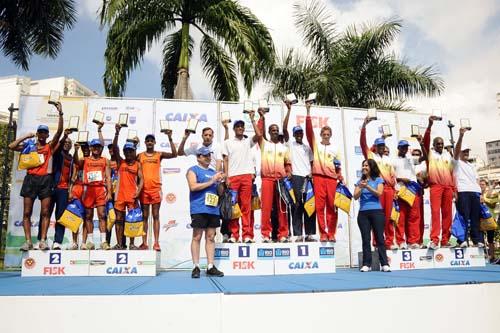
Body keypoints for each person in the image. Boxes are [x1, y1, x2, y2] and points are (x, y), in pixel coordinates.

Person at [9, 102, 64, 251]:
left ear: (47, 135)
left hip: (46, 180)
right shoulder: (29, 146)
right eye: (40, 132)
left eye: (44, 133)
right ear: (37, 133)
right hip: (31, 180)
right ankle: (28, 241)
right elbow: (11, 146)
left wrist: (60, 113)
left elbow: (59, 132)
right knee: (27, 212)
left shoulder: (49, 147)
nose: (42, 135)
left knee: (45, 212)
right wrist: (25, 136)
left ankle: (43, 240)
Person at [222, 111, 262, 243]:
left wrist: (252, 119)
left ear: (244, 129)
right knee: (234, 208)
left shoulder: (247, 141)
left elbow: (259, 134)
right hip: (233, 177)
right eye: (237, 126)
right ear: (234, 129)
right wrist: (226, 177)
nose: (240, 128)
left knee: (246, 207)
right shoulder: (228, 142)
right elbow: (225, 160)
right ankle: (234, 235)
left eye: (242, 126)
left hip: (246, 176)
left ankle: (247, 235)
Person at [305, 102, 342, 242]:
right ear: (320, 135)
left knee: (332, 206)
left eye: (328, 134)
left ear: (330, 135)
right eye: (324, 134)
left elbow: (338, 166)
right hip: (318, 178)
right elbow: (309, 132)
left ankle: (332, 233)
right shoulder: (315, 145)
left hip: (332, 180)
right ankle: (323, 234)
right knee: (320, 206)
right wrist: (308, 112)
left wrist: (339, 175)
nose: (326, 136)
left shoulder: (335, 148)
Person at [187, 146, 225, 278]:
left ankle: (210, 266)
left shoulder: (213, 172)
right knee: (197, 237)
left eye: (209, 155)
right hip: (199, 208)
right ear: (199, 157)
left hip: (213, 208)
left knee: (210, 237)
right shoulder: (193, 170)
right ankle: (196, 266)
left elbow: (219, 192)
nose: (208, 157)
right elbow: (193, 186)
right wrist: (211, 181)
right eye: (205, 155)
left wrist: (220, 183)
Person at [360, 117, 397, 249]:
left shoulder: (388, 159)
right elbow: (363, 143)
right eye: (379, 146)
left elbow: (393, 177)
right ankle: (376, 242)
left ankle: (389, 241)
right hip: (377, 188)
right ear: (375, 147)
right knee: (378, 217)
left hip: (389, 190)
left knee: (388, 216)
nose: (381, 147)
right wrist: (364, 126)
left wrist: (395, 190)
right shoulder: (372, 157)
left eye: (383, 145)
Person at [137, 132, 177, 251]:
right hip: (144, 190)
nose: (149, 142)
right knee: (144, 216)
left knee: (155, 216)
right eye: (147, 140)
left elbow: (175, 154)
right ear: (145, 143)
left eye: (151, 140)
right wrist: (134, 143)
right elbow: (128, 160)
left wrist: (170, 138)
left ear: (154, 142)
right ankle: (144, 242)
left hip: (155, 189)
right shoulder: (139, 156)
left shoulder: (159, 154)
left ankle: (156, 243)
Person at [282, 100, 316, 242]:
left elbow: (313, 163)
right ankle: (298, 234)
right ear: (294, 134)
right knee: (297, 206)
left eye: (300, 132)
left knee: (309, 204)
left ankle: (309, 233)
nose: (299, 135)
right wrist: (289, 110)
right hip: (295, 177)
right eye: (297, 133)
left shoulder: (307, 147)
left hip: (307, 178)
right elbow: (284, 129)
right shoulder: (290, 144)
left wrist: (312, 175)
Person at [257, 110, 292, 243]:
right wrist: (262, 118)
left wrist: (288, 172)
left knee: (282, 208)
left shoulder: (284, 148)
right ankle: (265, 234)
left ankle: (283, 234)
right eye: (272, 130)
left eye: (276, 130)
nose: (275, 132)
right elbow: (260, 132)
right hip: (267, 179)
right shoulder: (264, 144)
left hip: (280, 181)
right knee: (266, 208)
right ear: (269, 132)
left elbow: (288, 164)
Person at [74, 138, 112, 250]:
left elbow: (108, 177)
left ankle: (103, 241)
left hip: (100, 189)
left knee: (102, 215)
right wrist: (76, 151)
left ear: (101, 148)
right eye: (94, 146)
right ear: (91, 148)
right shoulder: (85, 160)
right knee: (88, 216)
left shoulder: (105, 160)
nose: (96, 149)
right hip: (88, 190)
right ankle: (90, 242)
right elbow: (76, 163)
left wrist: (109, 192)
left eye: (98, 147)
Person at [354, 159, 391, 272]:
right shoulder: (360, 180)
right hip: (363, 213)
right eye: (363, 165)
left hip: (376, 212)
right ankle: (366, 264)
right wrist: (361, 187)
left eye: (366, 165)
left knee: (380, 238)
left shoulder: (378, 179)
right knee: (366, 239)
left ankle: (384, 263)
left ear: (371, 167)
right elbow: (355, 196)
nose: (364, 167)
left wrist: (368, 187)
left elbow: (379, 193)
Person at [424, 116, 454, 249]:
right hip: (436, 187)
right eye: (438, 144)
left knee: (447, 213)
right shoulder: (430, 154)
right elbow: (425, 142)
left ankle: (445, 240)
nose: (440, 146)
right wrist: (429, 126)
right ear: (434, 145)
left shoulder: (448, 156)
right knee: (436, 213)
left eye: (442, 144)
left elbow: (453, 174)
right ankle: (435, 240)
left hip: (448, 187)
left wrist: (454, 189)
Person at [112, 124, 144, 249]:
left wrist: (138, 192)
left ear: (134, 152)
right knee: (119, 220)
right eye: (127, 151)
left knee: (132, 221)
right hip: (120, 195)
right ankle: (120, 244)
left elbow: (142, 180)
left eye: (131, 151)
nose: (129, 153)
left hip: (132, 196)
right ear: (124, 152)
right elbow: (115, 148)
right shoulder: (121, 162)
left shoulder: (137, 164)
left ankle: (131, 244)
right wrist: (117, 133)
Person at [453, 128, 484, 248]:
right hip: (463, 191)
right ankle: (463, 240)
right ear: (459, 152)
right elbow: (456, 150)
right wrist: (461, 136)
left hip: (474, 192)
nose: (466, 153)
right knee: (464, 216)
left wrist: (480, 194)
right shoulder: (456, 163)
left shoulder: (472, 165)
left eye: (467, 152)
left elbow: (477, 180)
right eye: (464, 151)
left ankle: (476, 240)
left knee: (475, 217)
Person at [393, 140, 422, 249]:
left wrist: (422, 144)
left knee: (414, 217)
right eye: (402, 147)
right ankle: (401, 242)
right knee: (400, 218)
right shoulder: (393, 160)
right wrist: (401, 179)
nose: (404, 149)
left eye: (406, 147)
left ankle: (413, 241)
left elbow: (423, 158)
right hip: (401, 190)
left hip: (413, 191)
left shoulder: (411, 158)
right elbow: (390, 176)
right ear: (398, 148)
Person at [51, 129, 73, 250]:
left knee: (60, 216)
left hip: (64, 189)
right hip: (52, 187)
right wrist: (64, 136)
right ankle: (41, 239)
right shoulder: (57, 153)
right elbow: (58, 146)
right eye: (65, 142)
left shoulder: (71, 157)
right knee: (46, 213)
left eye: (69, 143)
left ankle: (57, 242)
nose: (67, 144)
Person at [68, 142, 91, 249]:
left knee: (87, 217)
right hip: (77, 189)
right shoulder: (79, 160)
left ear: (90, 148)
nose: (85, 149)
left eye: (87, 147)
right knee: (75, 216)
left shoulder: (93, 160)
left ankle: (84, 242)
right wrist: (70, 191)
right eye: (83, 147)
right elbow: (73, 176)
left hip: (89, 191)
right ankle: (74, 242)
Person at [479, 179, 499, 263]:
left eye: (483, 184)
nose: (481, 186)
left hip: (489, 220)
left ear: (486, 185)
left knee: (490, 240)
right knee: (480, 240)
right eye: (480, 184)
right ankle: (482, 256)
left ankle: (492, 257)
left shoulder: (490, 194)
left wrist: (484, 200)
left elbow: (493, 203)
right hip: (479, 220)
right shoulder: (477, 194)